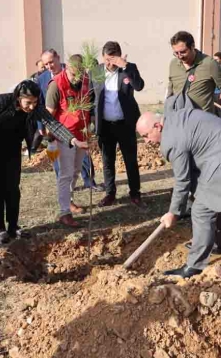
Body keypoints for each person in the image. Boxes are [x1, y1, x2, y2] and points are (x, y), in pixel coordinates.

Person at [137, 97, 221, 278]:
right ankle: (214, 244)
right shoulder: (175, 119)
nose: (146, 141)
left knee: (202, 210)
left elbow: (182, 180)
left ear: (157, 127)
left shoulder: (171, 141)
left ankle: (194, 266)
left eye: (146, 136)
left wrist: (173, 212)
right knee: (215, 200)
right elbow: (192, 174)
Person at [0, 80, 84, 242]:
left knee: (12, 186)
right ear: (18, 97)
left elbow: (53, 124)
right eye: (28, 102)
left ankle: (13, 225)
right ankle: (0, 227)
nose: (31, 106)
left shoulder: (35, 108)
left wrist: (73, 141)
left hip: (11, 148)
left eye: (35, 102)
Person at [38, 49, 102, 191]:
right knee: (62, 168)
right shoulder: (45, 80)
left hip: (80, 129)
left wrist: (90, 122)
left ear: (59, 59)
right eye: (46, 64)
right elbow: (41, 106)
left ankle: (88, 182)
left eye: (51, 62)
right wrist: (43, 128)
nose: (49, 66)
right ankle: (67, 200)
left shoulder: (83, 78)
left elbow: (90, 100)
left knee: (79, 164)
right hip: (59, 132)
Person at [91, 41, 145, 208]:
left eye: (113, 60)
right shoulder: (96, 71)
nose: (109, 64)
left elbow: (139, 86)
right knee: (107, 160)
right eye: (107, 59)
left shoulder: (128, 68)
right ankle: (110, 193)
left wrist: (126, 66)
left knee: (130, 160)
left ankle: (135, 193)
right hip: (105, 125)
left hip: (126, 123)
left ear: (120, 57)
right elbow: (91, 96)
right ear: (102, 58)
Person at [46, 54, 96, 228]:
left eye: (80, 74)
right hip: (64, 135)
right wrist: (49, 137)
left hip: (82, 133)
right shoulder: (56, 85)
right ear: (67, 68)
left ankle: (70, 200)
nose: (77, 78)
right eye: (73, 74)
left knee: (75, 171)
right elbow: (48, 115)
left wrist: (91, 130)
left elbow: (90, 107)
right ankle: (64, 212)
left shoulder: (86, 81)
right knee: (66, 173)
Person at [167, 31, 221, 119]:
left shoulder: (210, 64)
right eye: (176, 53)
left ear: (192, 46)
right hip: (180, 121)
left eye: (183, 52)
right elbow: (170, 92)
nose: (180, 56)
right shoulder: (173, 64)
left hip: (203, 123)